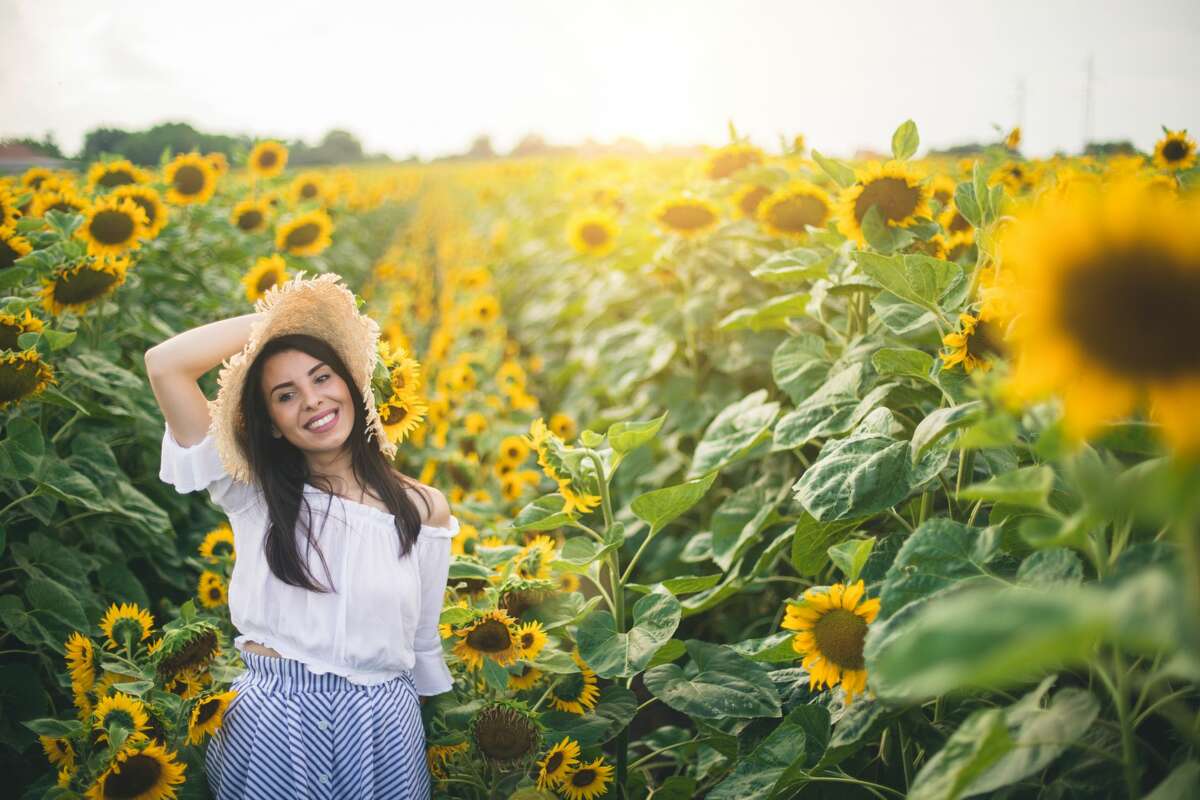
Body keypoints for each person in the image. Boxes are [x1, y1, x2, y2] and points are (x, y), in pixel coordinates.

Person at [144, 272, 457, 799]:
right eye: (286, 395)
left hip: (383, 726)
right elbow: (165, 365)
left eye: (323, 377)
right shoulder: (252, 493)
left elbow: (421, 643)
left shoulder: (420, 508)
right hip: (273, 718)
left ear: (351, 386)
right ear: (270, 424)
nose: (312, 400)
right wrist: (275, 325)